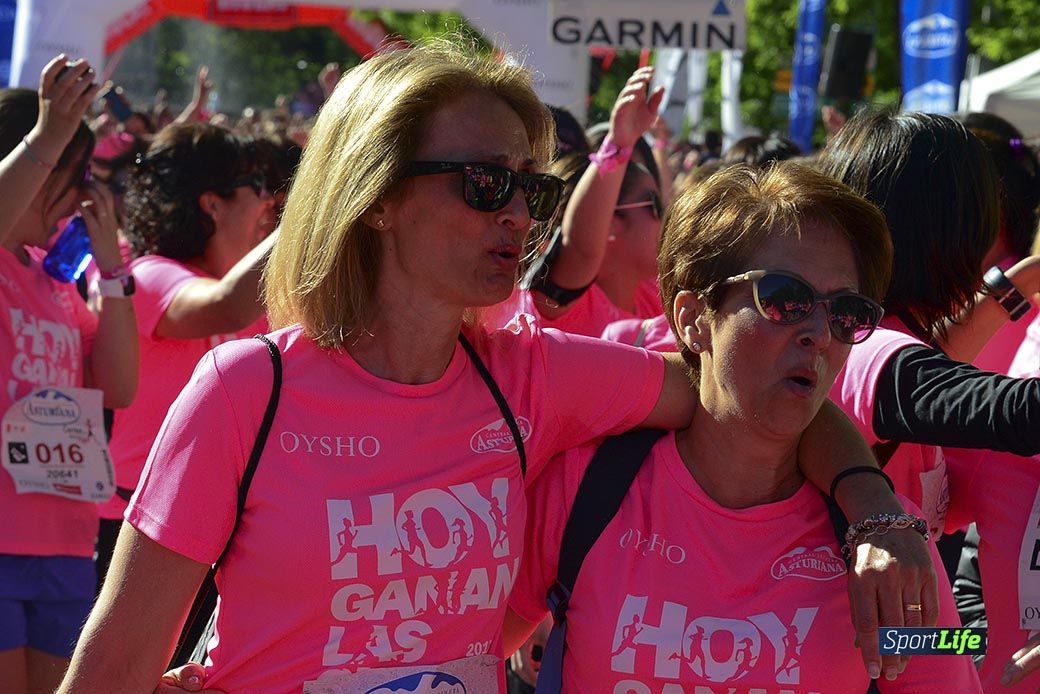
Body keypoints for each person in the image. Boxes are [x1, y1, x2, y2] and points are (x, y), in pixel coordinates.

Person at [62, 44, 930, 694]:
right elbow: (114, 665)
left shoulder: (532, 380)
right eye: (484, 183)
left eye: (529, 187)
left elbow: (754, 397)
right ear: (378, 198)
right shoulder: (245, 392)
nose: (518, 212)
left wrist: (874, 508)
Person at [507, 163, 980, 691]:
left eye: (846, 313)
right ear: (693, 317)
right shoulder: (584, 490)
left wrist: (966, 630)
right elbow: (464, 652)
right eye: (785, 299)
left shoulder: (889, 540)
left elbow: (953, 648)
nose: (821, 333)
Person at [820, 110, 1040, 692]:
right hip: (845, 658)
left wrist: (983, 642)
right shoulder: (866, 348)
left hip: (889, 644)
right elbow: (1010, 412)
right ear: (954, 233)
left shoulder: (864, 334)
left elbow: (939, 358)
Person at [0, 56, 138, 694]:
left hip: (64, 541)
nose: (84, 191)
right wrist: (52, 132)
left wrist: (112, 275)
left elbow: (119, 386)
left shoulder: (53, 286)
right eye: (73, 174)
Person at [93, 122, 276, 589]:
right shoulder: (151, 276)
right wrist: (317, 210)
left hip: (216, 529)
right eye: (254, 186)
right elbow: (225, 305)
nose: (269, 201)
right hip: (135, 529)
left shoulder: (255, 298)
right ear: (212, 204)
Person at [492, 67, 665, 338]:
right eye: (654, 205)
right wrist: (617, 146)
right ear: (609, 219)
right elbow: (579, 248)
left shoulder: (656, 296)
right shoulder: (569, 306)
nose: (666, 218)